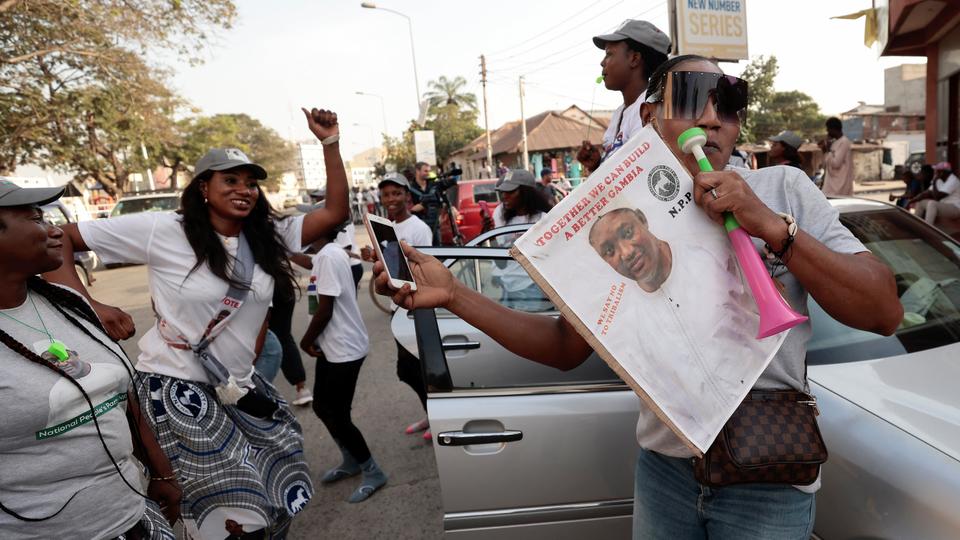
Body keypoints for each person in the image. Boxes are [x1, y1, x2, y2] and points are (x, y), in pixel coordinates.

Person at [375, 56, 902, 539]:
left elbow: (882, 311)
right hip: (665, 474)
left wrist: (771, 227)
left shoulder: (782, 188)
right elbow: (564, 347)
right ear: (650, 116)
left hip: (770, 475)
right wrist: (453, 296)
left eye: (730, 103)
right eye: (694, 98)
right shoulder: (614, 223)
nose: (715, 119)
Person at [46, 107, 350, 539]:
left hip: (239, 388)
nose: (244, 190)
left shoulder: (267, 234)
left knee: (276, 495)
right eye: (231, 180)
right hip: (176, 390)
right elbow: (62, 240)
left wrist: (330, 142)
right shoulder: (164, 229)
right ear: (204, 187)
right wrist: (88, 305)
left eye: (250, 183)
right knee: (230, 517)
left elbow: (335, 211)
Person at [0, 181, 180, 539]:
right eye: (35, 218)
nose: (54, 229)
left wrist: (161, 473)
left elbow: (120, 395)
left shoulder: (67, 301)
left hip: (131, 515)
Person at [300, 221, 385, 503]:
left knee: (338, 414)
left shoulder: (327, 255)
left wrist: (305, 340)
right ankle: (350, 460)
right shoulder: (331, 252)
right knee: (323, 407)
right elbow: (308, 262)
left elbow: (325, 310)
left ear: (319, 230)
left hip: (344, 348)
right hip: (335, 346)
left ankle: (372, 471)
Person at [361, 172, 435, 440]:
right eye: (386, 194)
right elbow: (391, 266)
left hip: (416, 308)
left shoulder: (418, 228)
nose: (390, 199)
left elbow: (425, 270)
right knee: (410, 370)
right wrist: (374, 257)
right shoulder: (386, 226)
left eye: (396, 193)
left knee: (415, 368)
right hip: (398, 308)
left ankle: (437, 417)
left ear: (408, 196)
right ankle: (432, 414)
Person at [576, 19, 671, 174]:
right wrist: (596, 165)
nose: (602, 63)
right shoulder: (621, 112)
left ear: (634, 59)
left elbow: (636, 180)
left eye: (609, 54)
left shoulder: (651, 111)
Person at [491, 170, 553, 310]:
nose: (504, 196)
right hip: (509, 286)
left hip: (532, 288)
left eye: (510, 192)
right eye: (503, 192)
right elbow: (501, 263)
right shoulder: (505, 219)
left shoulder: (542, 219)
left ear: (526, 193)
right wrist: (491, 234)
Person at [819, 117, 854, 196]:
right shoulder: (834, 143)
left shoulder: (844, 142)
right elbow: (825, 164)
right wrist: (825, 150)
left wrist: (828, 150)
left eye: (828, 129)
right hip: (830, 187)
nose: (827, 132)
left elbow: (836, 164)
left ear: (834, 129)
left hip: (840, 188)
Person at [409, 161, 441, 246]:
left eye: (429, 171)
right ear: (417, 171)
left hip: (435, 225)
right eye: (425, 171)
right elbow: (410, 209)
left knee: (438, 251)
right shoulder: (410, 188)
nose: (428, 173)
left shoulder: (433, 186)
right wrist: (424, 204)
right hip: (418, 226)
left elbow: (440, 203)